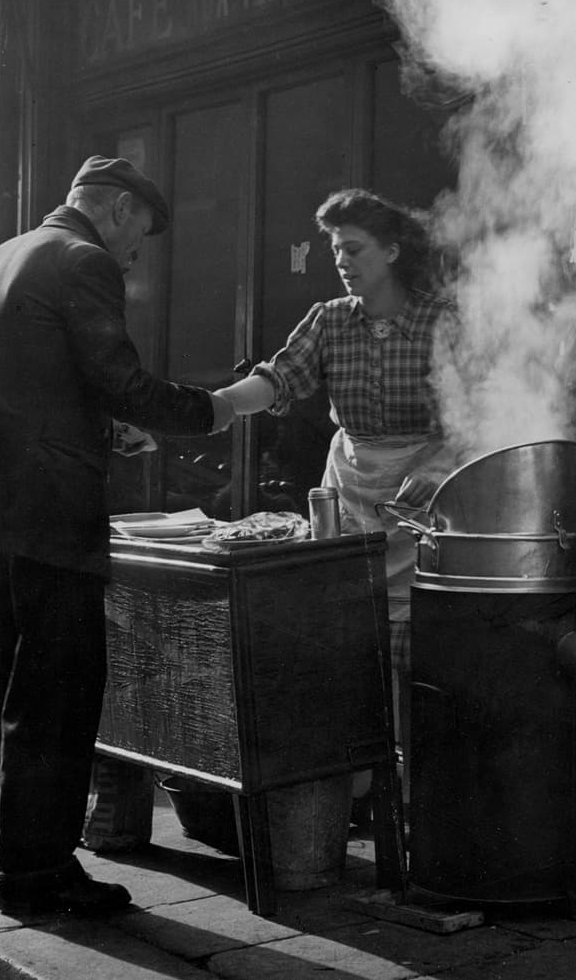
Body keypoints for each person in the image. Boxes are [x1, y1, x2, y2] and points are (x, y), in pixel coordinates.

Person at [0, 155, 233, 918]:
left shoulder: (3, 255)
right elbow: (122, 380)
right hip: (45, 511)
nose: (136, 254)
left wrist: (94, 430)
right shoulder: (84, 259)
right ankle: (40, 874)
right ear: (120, 210)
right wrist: (219, 408)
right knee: (58, 691)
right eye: (142, 236)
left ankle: (5, 851)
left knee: (2, 683)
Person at [213, 187, 456, 798]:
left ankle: (408, 789)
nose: (342, 260)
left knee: (409, 640)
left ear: (392, 251)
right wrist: (216, 406)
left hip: (422, 491)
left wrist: (439, 466)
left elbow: (474, 411)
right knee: (345, 630)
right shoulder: (328, 319)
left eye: (355, 248)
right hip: (348, 484)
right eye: (335, 250)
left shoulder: (438, 320)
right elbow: (277, 380)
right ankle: (348, 781)